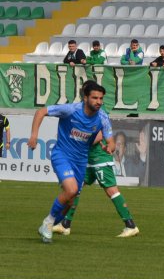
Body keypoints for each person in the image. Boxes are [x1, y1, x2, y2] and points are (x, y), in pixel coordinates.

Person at [28, 80, 113, 243]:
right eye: (95, 98)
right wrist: (34, 135)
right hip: (62, 155)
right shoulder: (70, 110)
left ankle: (51, 222)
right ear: (86, 98)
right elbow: (41, 112)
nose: (99, 102)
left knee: (71, 201)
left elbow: (111, 139)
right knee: (71, 189)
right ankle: (48, 222)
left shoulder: (102, 117)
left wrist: (110, 146)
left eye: (101, 98)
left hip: (81, 161)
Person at [53, 84, 139, 238]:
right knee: (75, 189)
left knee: (111, 190)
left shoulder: (98, 115)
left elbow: (99, 136)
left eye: (99, 98)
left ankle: (130, 225)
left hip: (99, 158)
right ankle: (65, 224)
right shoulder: (80, 111)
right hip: (88, 158)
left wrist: (77, 141)